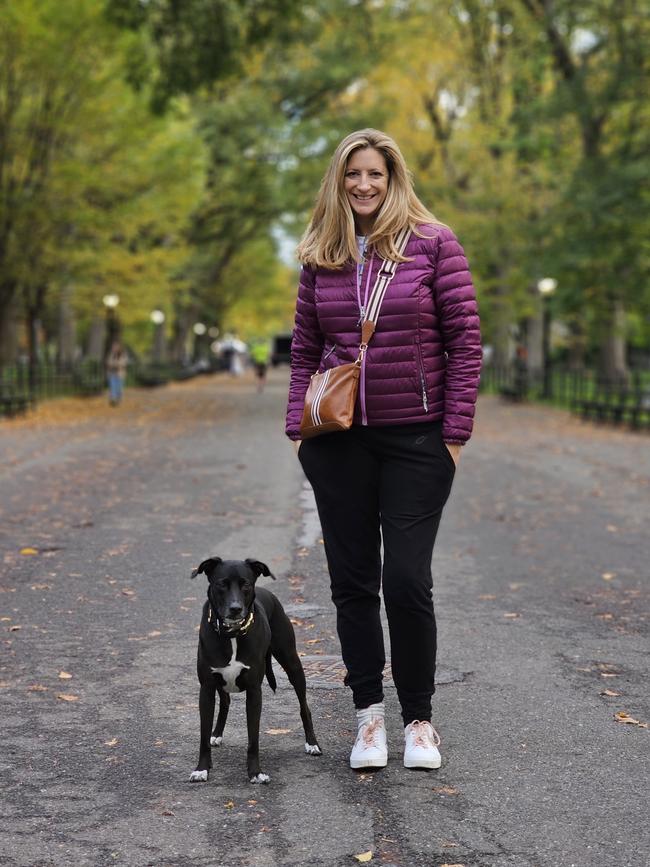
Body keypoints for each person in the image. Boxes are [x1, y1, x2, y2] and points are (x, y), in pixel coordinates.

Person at [285, 129, 481, 771]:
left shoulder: (433, 244)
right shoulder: (322, 254)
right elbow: (305, 351)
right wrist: (299, 430)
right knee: (352, 583)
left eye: (375, 174)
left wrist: (452, 436)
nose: (364, 186)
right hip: (338, 443)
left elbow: (465, 345)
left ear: (394, 179)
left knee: (406, 579)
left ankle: (418, 721)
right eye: (352, 176)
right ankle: (368, 717)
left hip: (416, 440)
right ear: (338, 183)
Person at [105, 340, 128, 406]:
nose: (114, 348)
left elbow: (124, 363)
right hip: (112, 373)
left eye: (116, 346)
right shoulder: (111, 355)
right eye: (113, 347)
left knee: (119, 388)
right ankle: (113, 399)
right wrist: (115, 364)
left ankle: (118, 399)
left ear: (119, 347)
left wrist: (115, 364)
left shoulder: (123, 354)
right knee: (112, 387)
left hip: (120, 374)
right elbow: (108, 363)